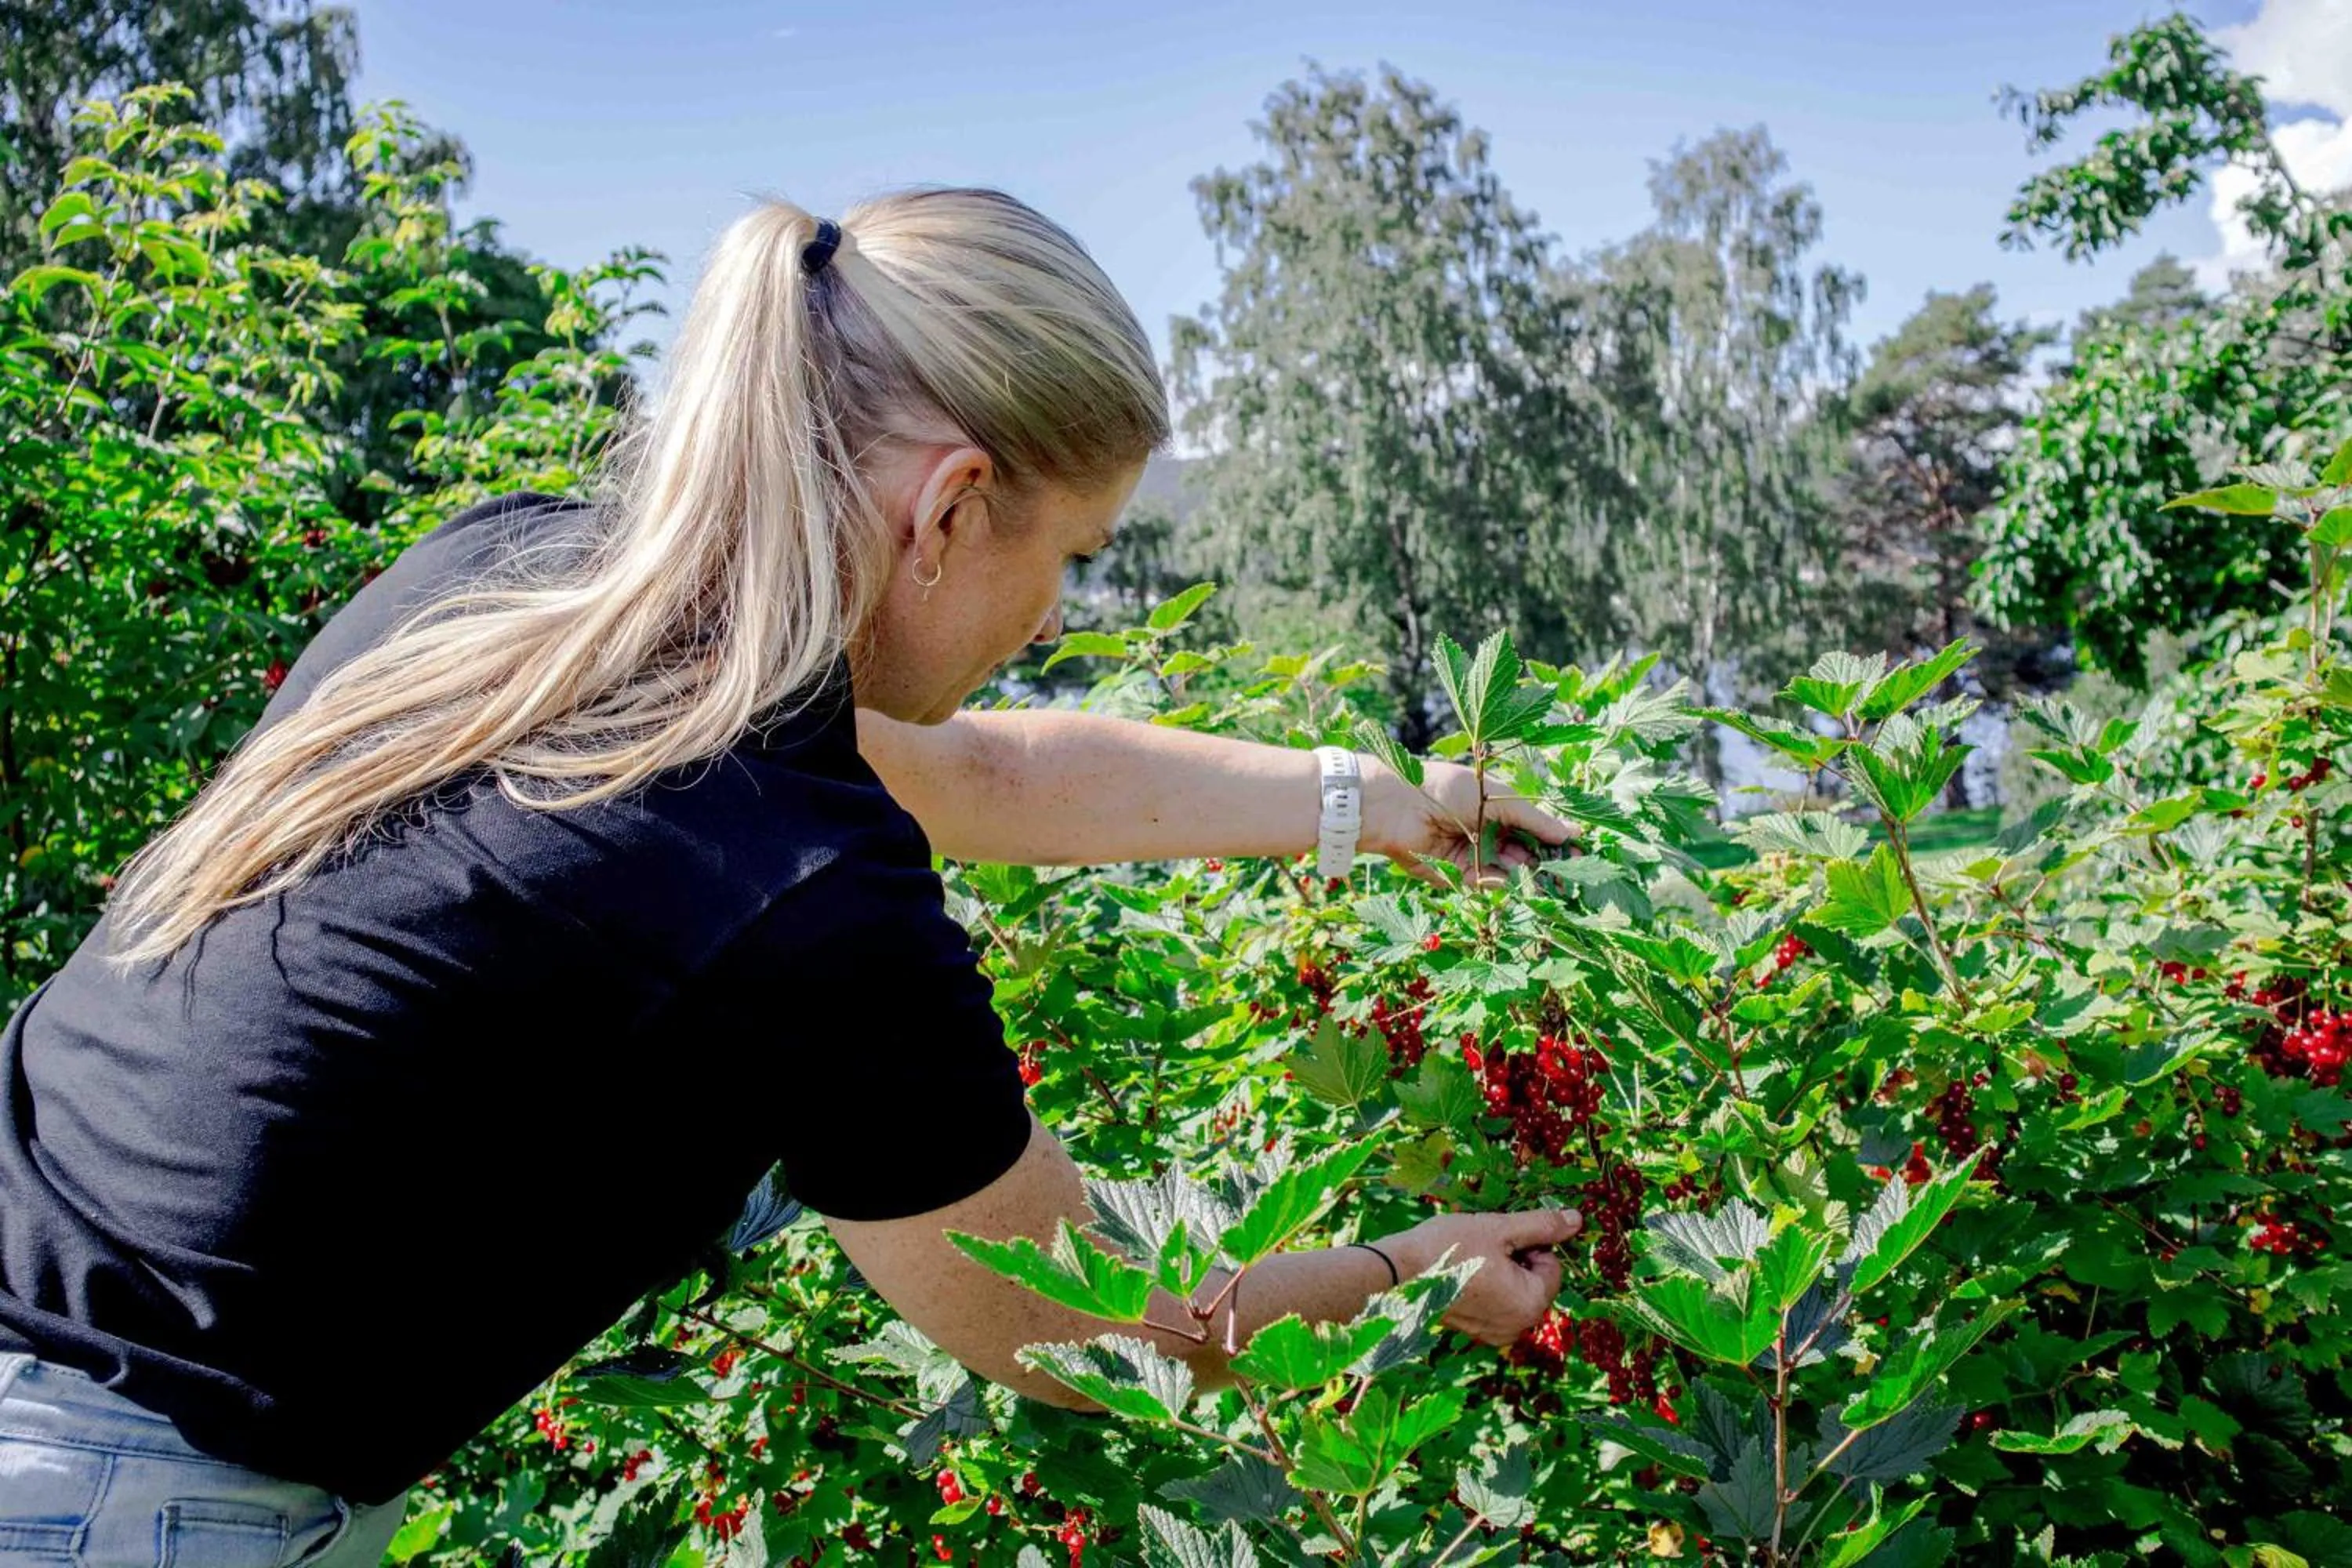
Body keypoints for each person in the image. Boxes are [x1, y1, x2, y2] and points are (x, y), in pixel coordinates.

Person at [0, 190, 1581, 1563]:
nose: (1054, 612)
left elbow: (995, 773)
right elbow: (1078, 1323)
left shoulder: (518, 576)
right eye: (1075, 556)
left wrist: (1380, 799)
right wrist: (1408, 1279)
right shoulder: (799, 888)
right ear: (953, 508)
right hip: (120, 1499)